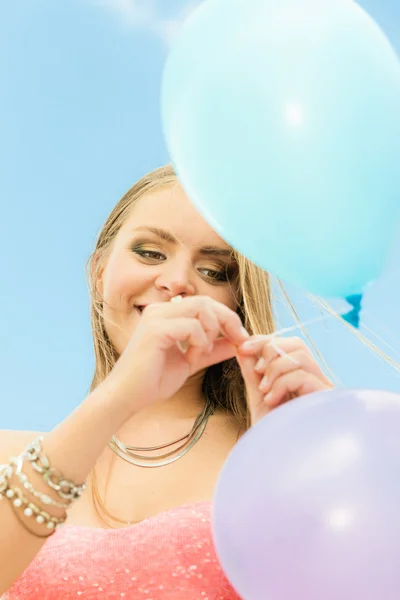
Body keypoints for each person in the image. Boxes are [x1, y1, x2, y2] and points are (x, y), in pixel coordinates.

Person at [0, 164, 333, 599]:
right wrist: (121, 394)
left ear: (239, 301)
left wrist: (310, 465)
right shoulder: (9, 455)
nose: (177, 282)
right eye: (150, 253)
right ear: (99, 273)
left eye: (215, 271)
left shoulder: (274, 456)